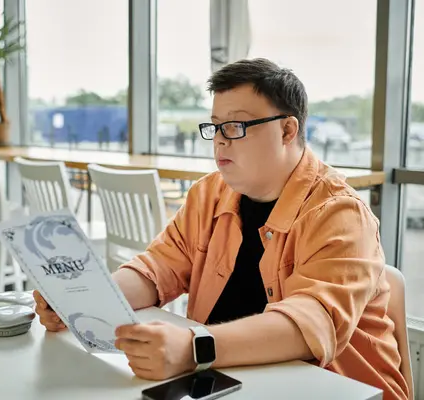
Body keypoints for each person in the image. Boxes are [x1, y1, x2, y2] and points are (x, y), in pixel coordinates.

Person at [33, 58, 409, 400]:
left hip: (336, 387)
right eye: (214, 127)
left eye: (236, 125)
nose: (220, 140)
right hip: (227, 379)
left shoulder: (340, 213)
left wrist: (194, 348)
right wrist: (82, 301)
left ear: (287, 130)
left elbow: (309, 325)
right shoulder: (209, 194)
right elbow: (156, 270)